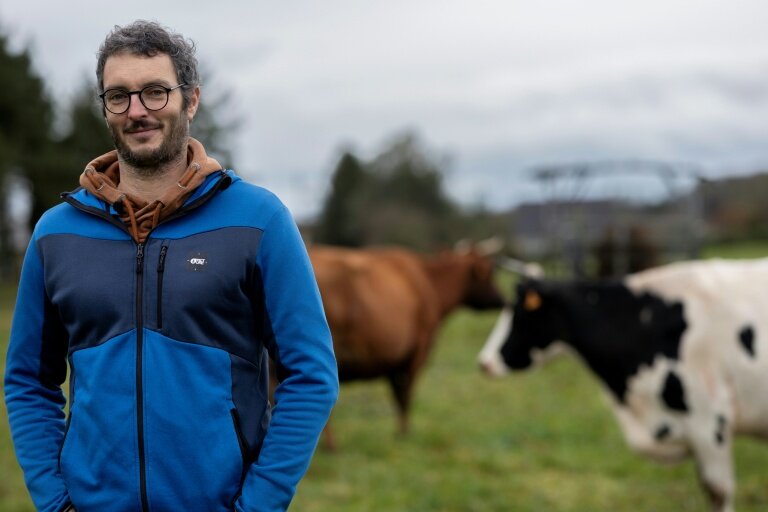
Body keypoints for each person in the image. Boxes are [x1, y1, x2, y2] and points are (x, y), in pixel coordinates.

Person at [4, 20, 339, 512]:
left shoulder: (260, 221)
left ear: (192, 99)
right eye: (118, 96)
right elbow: (28, 382)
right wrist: (55, 502)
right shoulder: (55, 234)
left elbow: (311, 375)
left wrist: (260, 503)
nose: (137, 111)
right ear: (105, 108)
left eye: (155, 92)